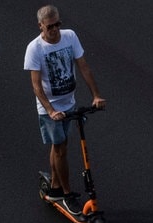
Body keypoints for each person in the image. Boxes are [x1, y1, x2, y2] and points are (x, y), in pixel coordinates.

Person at [24, 5, 105, 204]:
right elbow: (36, 86)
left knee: (60, 145)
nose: (55, 30)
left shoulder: (70, 37)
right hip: (49, 108)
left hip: (69, 103)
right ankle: (66, 193)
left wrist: (96, 95)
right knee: (60, 148)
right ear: (40, 26)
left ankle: (55, 186)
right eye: (50, 26)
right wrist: (51, 110)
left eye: (58, 24)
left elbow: (84, 67)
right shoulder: (35, 48)